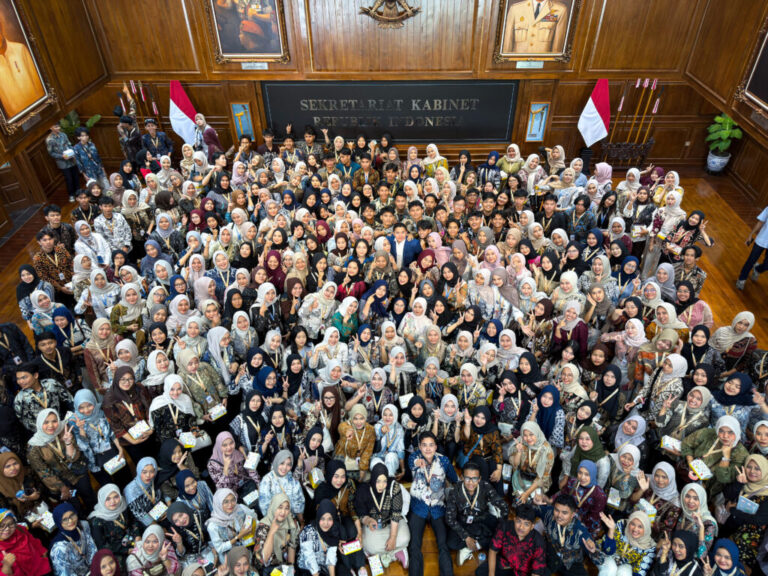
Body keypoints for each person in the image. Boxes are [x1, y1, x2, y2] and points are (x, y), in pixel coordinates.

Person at [407, 432, 459, 576]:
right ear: (419, 447)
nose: (428, 449)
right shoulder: (414, 457)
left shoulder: (444, 461)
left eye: (431, 445)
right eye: (424, 445)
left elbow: (455, 479)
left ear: (436, 446)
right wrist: (419, 462)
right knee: (414, 546)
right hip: (419, 507)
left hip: (438, 507)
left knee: (443, 545)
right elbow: (412, 462)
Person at [445, 462, 509, 566]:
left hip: (481, 518)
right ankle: (479, 540)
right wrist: (466, 537)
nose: (471, 482)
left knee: (501, 532)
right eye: (467, 478)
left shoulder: (485, 487)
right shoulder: (455, 491)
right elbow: (449, 518)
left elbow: (504, 506)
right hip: (463, 521)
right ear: (461, 477)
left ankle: (472, 546)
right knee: (450, 543)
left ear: (479, 479)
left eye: (475, 478)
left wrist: (502, 523)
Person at [533, 493, 604, 576]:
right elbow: (526, 510)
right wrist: (534, 503)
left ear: (572, 514)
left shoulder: (580, 531)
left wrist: (593, 551)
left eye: (564, 513)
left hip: (571, 562)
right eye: (556, 510)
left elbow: (600, 560)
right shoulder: (548, 513)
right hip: (549, 554)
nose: (559, 515)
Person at [480, 503, 546, 576]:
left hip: (523, 573)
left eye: (526, 524)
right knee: (480, 572)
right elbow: (493, 550)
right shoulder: (505, 526)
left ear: (532, 526)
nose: (521, 527)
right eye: (518, 521)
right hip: (505, 564)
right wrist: (491, 574)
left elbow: (536, 573)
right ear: (514, 519)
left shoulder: (539, 542)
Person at [0, 508, 51, 576]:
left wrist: (44, 554)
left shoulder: (20, 529)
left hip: (42, 568)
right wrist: (6, 566)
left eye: (11, 523)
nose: (7, 528)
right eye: (1, 525)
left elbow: (34, 542)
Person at [736, 204, 768, 289]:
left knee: (767, 265)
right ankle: (742, 278)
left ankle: (757, 269)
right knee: (751, 260)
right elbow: (760, 222)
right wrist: (751, 234)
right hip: (762, 239)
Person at [46, 123, 79, 202]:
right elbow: (51, 153)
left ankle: (79, 193)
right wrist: (62, 156)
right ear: (51, 127)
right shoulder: (49, 139)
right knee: (69, 179)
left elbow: (69, 144)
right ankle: (71, 195)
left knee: (76, 176)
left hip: (71, 159)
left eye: (58, 126)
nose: (58, 128)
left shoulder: (63, 135)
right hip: (63, 163)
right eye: (56, 126)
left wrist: (72, 151)